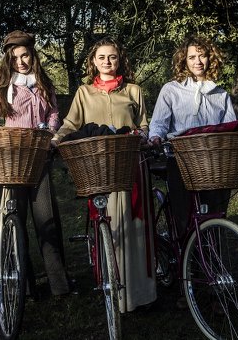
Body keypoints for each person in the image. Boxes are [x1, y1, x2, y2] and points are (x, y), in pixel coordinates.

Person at [52, 36, 156, 313]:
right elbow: (71, 123)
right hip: (98, 167)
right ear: (93, 62)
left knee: (134, 226)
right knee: (108, 226)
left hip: (131, 164)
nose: (107, 62)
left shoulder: (134, 90)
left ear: (120, 59)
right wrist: (56, 139)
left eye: (112, 57)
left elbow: (144, 125)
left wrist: (142, 135)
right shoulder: (84, 93)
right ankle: (111, 287)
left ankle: (139, 294)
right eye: (101, 57)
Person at [0, 30, 73, 297]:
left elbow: (54, 113)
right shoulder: (2, 89)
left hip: (39, 158)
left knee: (47, 220)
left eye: (25, 56)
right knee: (16, 221)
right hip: (12, 160)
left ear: (33, 56)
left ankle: (59, 284)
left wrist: (51, 130)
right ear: (8, 60)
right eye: (15, 58)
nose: (21, 62)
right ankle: (23, 283)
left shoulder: (44, 85)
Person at [148, 35, 237, 238]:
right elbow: (160, 123)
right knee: (183, 217)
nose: (198, 61)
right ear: (184, 60)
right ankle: (184, 261)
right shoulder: (171, 90)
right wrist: (156, 137)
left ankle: (212, 261)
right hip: (180, 160)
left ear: (210, 58)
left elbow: (230, 128)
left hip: (212, 162)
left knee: (214, 215)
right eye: (192, 57)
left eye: (202, 55)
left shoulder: (220, 93)